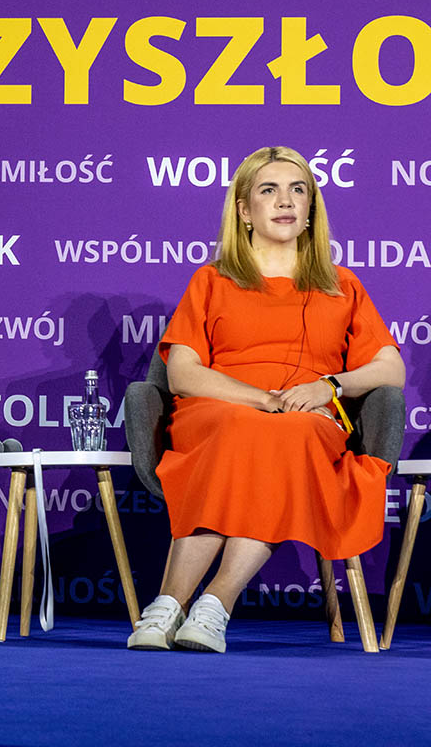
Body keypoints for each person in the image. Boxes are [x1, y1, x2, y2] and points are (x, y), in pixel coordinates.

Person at [127, 146, 405, 653]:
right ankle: (174, 606)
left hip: (306, 416)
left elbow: (391, 369)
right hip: (217, 412)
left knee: (290, 435)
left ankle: (210, 603)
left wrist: (330, 386)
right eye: (269, 190)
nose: (285, 201)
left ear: (311, 209)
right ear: (244, 210)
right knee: (244, 429)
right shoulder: (212, 280)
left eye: (298, 190)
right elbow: (183, 373)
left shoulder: (341, 285)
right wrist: (260, 399)